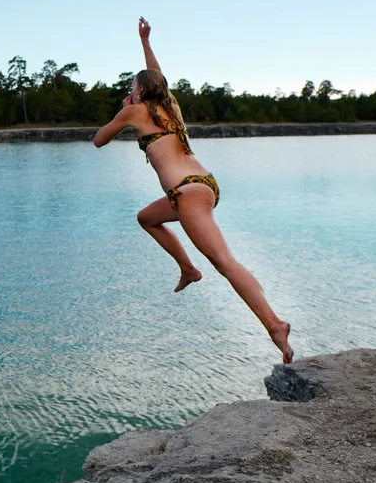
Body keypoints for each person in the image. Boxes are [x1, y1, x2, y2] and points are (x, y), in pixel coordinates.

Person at [93, 18, 293, 363]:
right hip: (200, 187)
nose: (131, 88)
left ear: (139, 91)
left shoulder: (134, 111)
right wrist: (145, 41)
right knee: (147, 218)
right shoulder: (171, 106)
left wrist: (122, 112)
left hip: (187, 193)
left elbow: (98, 140)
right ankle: (188, 269)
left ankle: (274, 324)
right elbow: (157, 74)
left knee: (225, 262)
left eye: (132, 85)